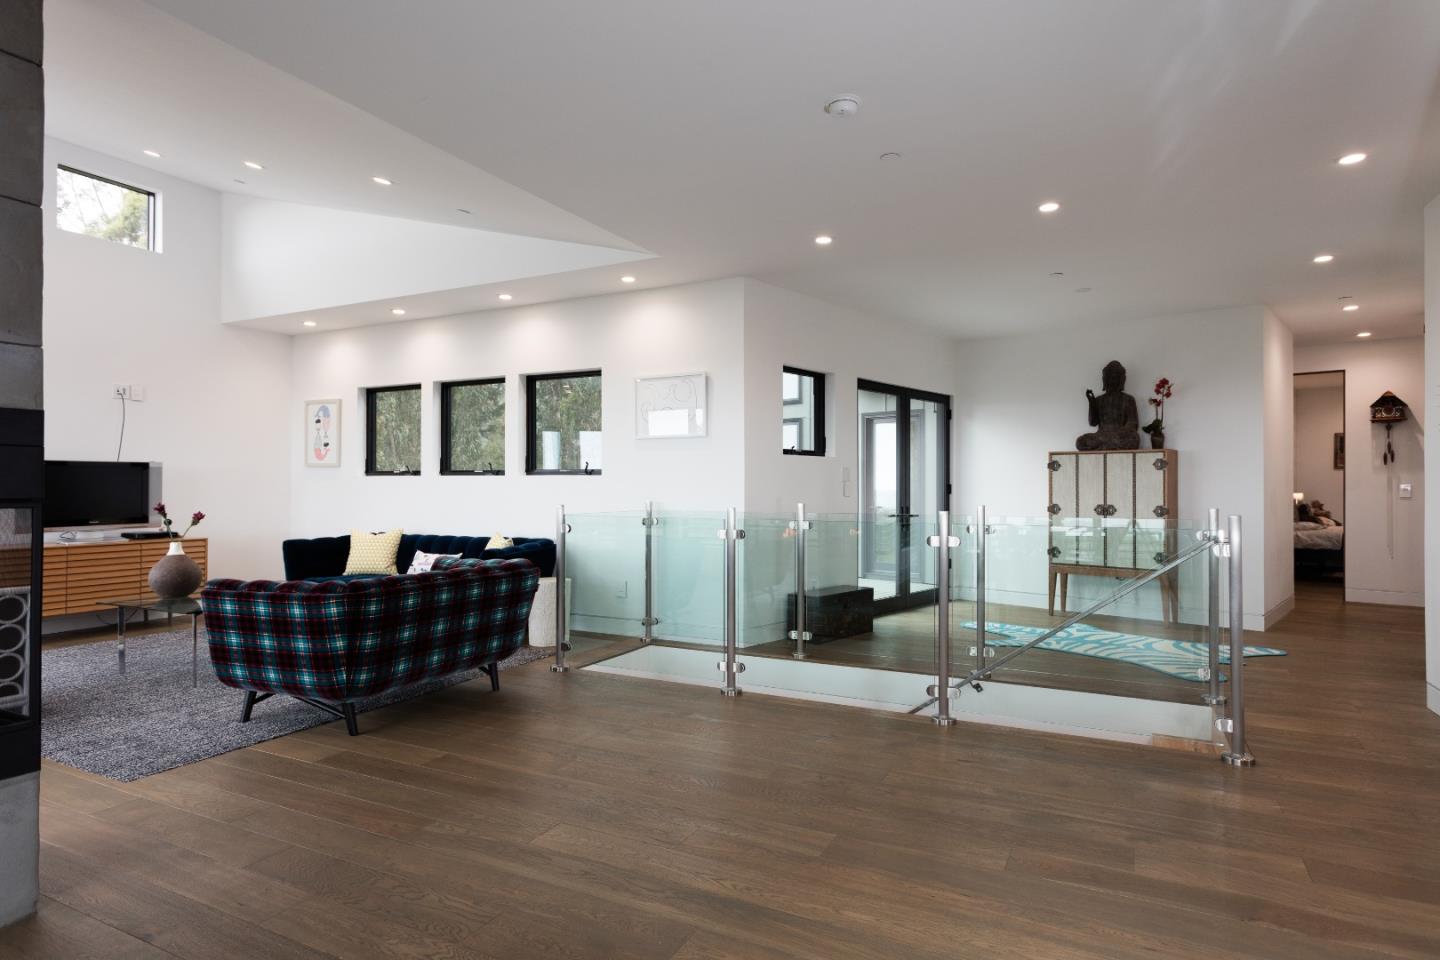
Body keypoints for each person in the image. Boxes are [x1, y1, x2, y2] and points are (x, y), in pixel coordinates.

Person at [1076, 361, 1140, 450]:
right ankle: (1109, 445)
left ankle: (1104, 445)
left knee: (1134, 438)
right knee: (1080, 441)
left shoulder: (1128, 399)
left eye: (1114, 378)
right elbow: (1093, 423)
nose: (1110, 381)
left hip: (1119, 436)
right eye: (1107, 377)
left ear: (1121, 380)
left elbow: (1133, 424)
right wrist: (1092, 404)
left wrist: (1118, 433)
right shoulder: (1099, 400)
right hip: (1102, 435)